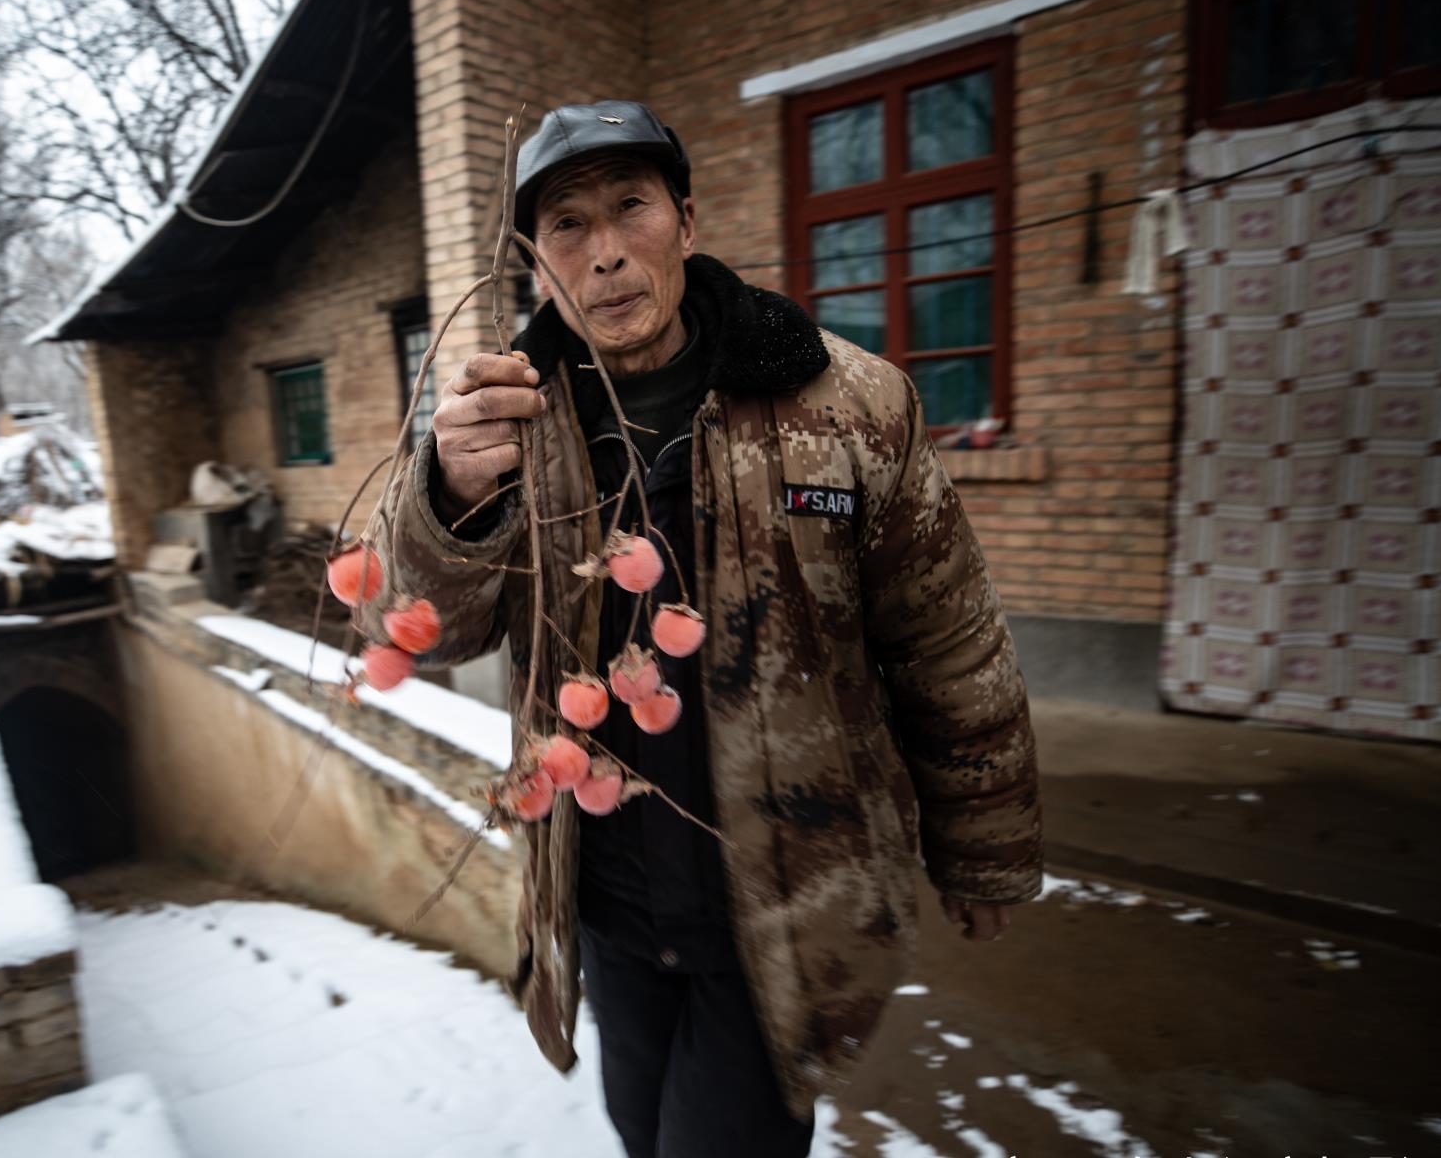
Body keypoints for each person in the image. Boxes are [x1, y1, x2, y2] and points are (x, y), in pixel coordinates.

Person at [357, 100, 1043, 1158]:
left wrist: (984, 843)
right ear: (536, 264)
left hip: (782, 901)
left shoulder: (845, 404)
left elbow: (945, 638)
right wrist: (447, 495)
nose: (604, 252)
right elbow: (420, 632)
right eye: (566, 225)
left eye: (629, 206)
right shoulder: (505, 432)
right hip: (608, 900)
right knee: (643, 1132)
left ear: (685, 220)